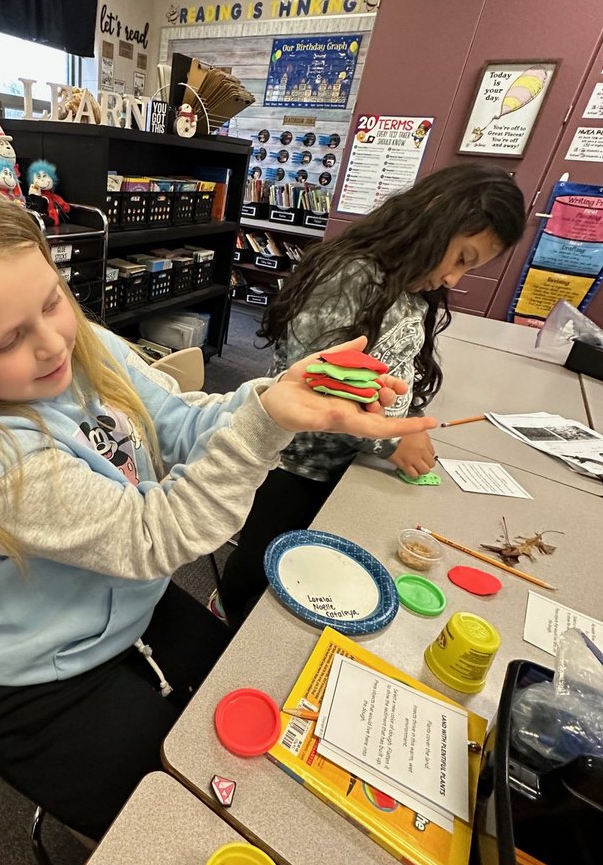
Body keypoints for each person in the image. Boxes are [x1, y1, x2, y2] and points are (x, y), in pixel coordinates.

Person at [0, 171, 433, 841]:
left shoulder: (82, 346)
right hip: (37, 682)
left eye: (52, 301)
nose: (53, 343)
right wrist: (265, 429)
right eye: (5, 340)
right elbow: (155, 535)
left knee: (262, 722)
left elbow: (181, 424)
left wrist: (271, 399)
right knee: (189, 822)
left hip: (124, 611)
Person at [214, 163, 526, 626]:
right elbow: (315, 388)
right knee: (264, 560)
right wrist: (391, 440)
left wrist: (407, 417)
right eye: (461, 258)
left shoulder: (412, 285)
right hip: (295, 462)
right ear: (435, 219)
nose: (454, 280)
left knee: (309, 565)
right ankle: (224, 612)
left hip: (347, 460)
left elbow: (394, 363)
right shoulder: (350, 275)